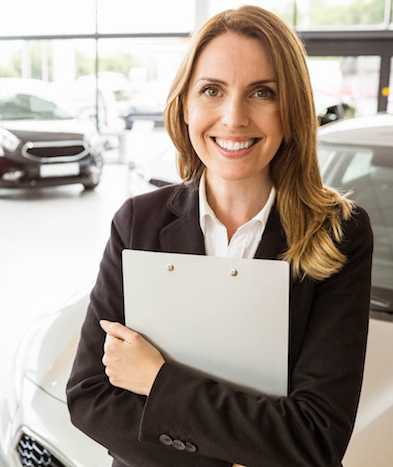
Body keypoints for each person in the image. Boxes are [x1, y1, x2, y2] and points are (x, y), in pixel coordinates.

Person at [66, 5, 374, 467]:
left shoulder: (339, 234)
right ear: (185, 105)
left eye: (262, 93)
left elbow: (315, 438)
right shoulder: (138, 223)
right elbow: (90, 397)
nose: (233, 118)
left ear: (290, 110)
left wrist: (157, 380)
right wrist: (245, 444)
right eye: (212, 90)